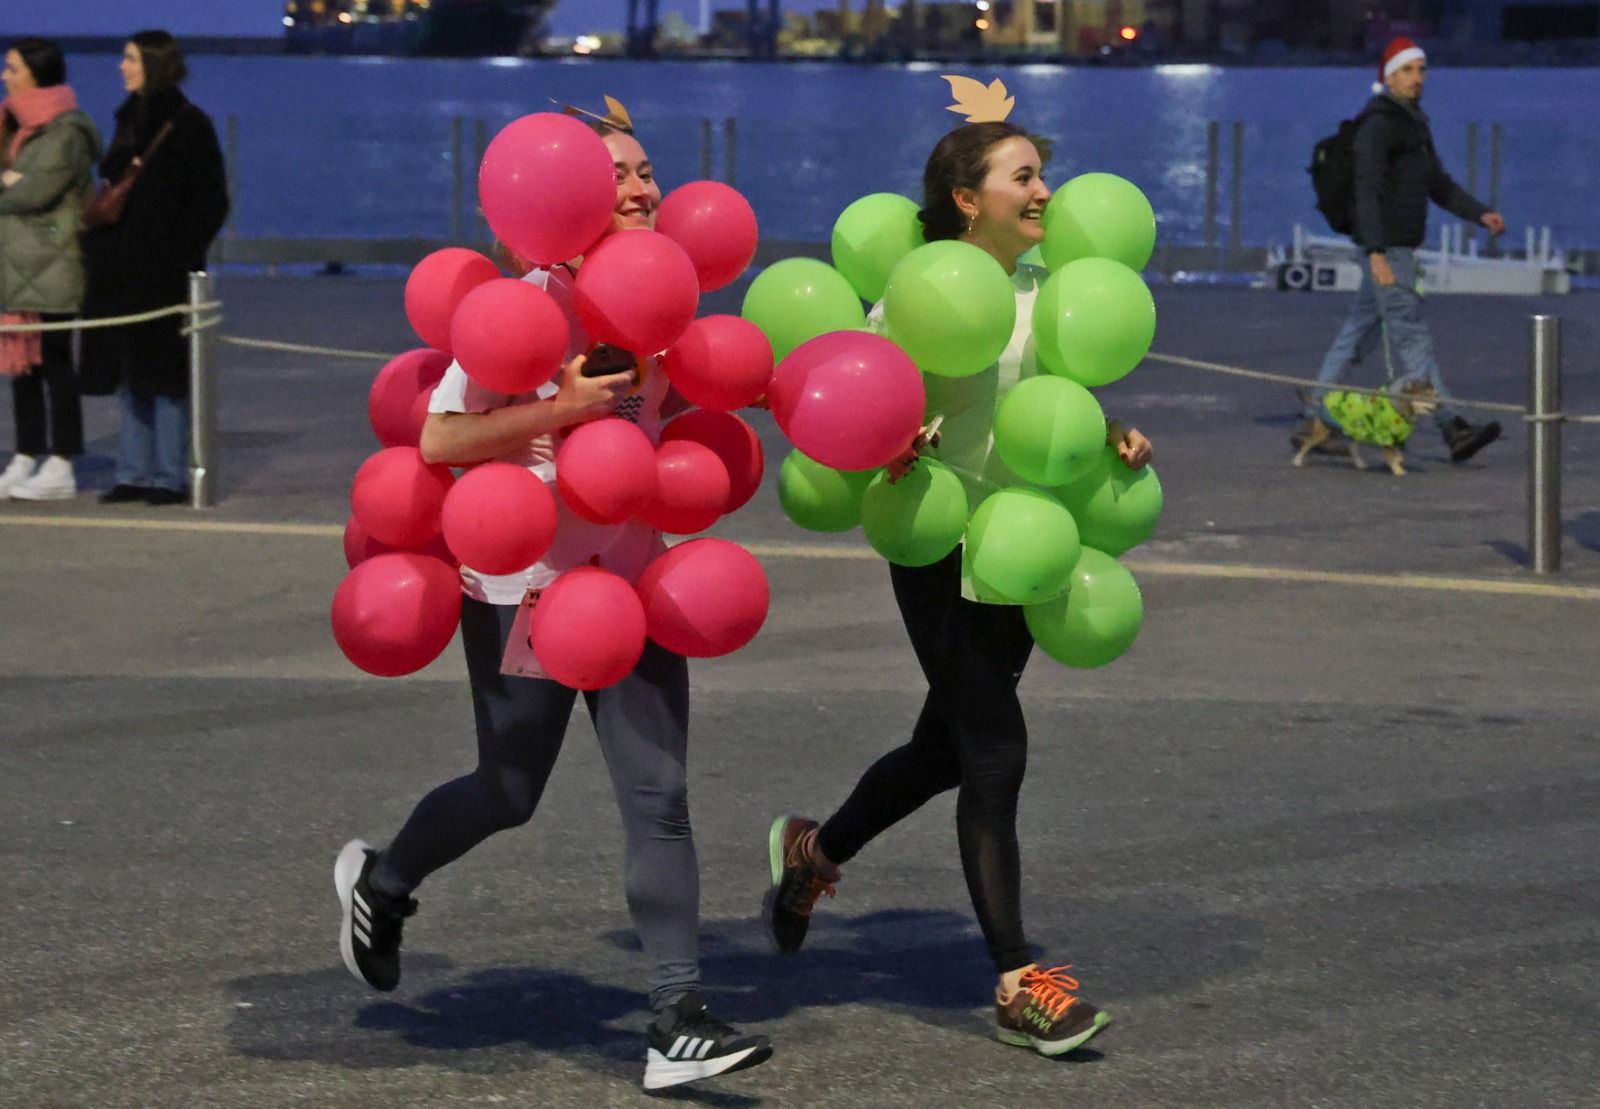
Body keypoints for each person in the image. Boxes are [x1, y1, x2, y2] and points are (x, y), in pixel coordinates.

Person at [333, 107, 773, 1093]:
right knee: (508, 790)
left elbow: (681, 408)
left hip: (632, 582)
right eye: (618, 175)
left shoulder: (662, 303)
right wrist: (563, 407)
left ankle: (677, 1017)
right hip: (524, 586)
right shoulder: (527, 304)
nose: (642, 189)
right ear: (566, 196)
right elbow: (441, 439)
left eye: (647, 171)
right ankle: (384, 880)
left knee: (659, 796)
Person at [760, 114, 1152, 1058]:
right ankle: (1019, 981)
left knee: (944, 749)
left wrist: (1109, 432)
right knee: (995, 749)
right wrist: (890, 447)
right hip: (938, 540)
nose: (1044, 192)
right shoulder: (919, 291)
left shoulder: (1054, 286)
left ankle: (815, 852)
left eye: (1042, 175)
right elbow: (857, 403)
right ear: (968, 199)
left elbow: (1056, 392)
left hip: (1027, 541)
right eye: (1023, 177)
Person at [1298, 36, 1505, 464]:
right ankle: (1452, 426)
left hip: (1394, 248)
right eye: (1408, 70)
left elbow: (1439, 185)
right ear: (1389, 77)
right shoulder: (1379, 126)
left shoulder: (1413, 125)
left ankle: (1317, 416)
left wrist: (1480, 213)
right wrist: (1375, 252)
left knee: (1358, 331)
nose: (1418, 78)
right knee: (1412, 337)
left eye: (1421, 69)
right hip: (1389, 250)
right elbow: (1367, 190)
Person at [78, 31, 228, 506]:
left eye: (131, 58)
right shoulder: (129, 119)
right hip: (123, 268)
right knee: (130, 372)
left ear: (154, 63)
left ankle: (167, 474)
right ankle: (134, 471)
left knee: (166, 376)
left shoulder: (188, 123)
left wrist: (178, 254)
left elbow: (211, 200)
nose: (121, 66)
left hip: (164, 272)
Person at [0, 38, 100, 500]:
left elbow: (33, 192)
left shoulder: (66, 131)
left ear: (37, 73)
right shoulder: (14, 125)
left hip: (55, 264)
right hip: (16, 266)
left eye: (13, 68)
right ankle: (26, 453)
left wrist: (11, 181)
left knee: (56, 361)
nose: (5, 76)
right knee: (21, 366)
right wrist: (11, 179)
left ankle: (62, 459)